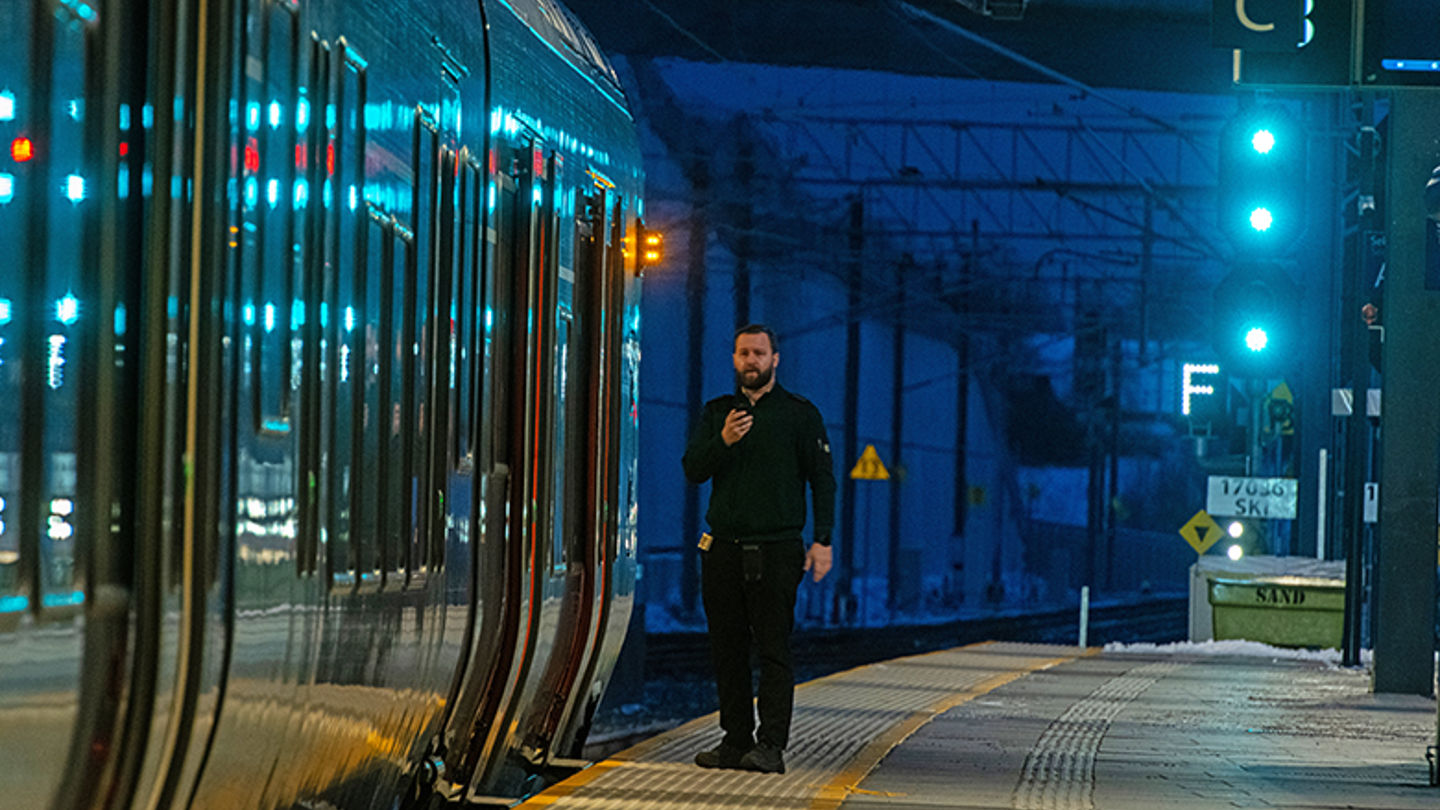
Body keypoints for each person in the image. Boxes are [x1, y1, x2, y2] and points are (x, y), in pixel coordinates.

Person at [681, 323, 836, 775]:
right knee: (727, 649)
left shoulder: (800, 415)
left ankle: (771, 745)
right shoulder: (717, 413)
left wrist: (823, 540)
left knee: (773, 649)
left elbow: (822, 480)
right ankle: (735, 740)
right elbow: (693, 469)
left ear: (775, 359)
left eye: (759, 353)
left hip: (777, 549)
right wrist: (723, 441)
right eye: (744, 353)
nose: (751, 361)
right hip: (723, 549)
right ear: (734, 360)